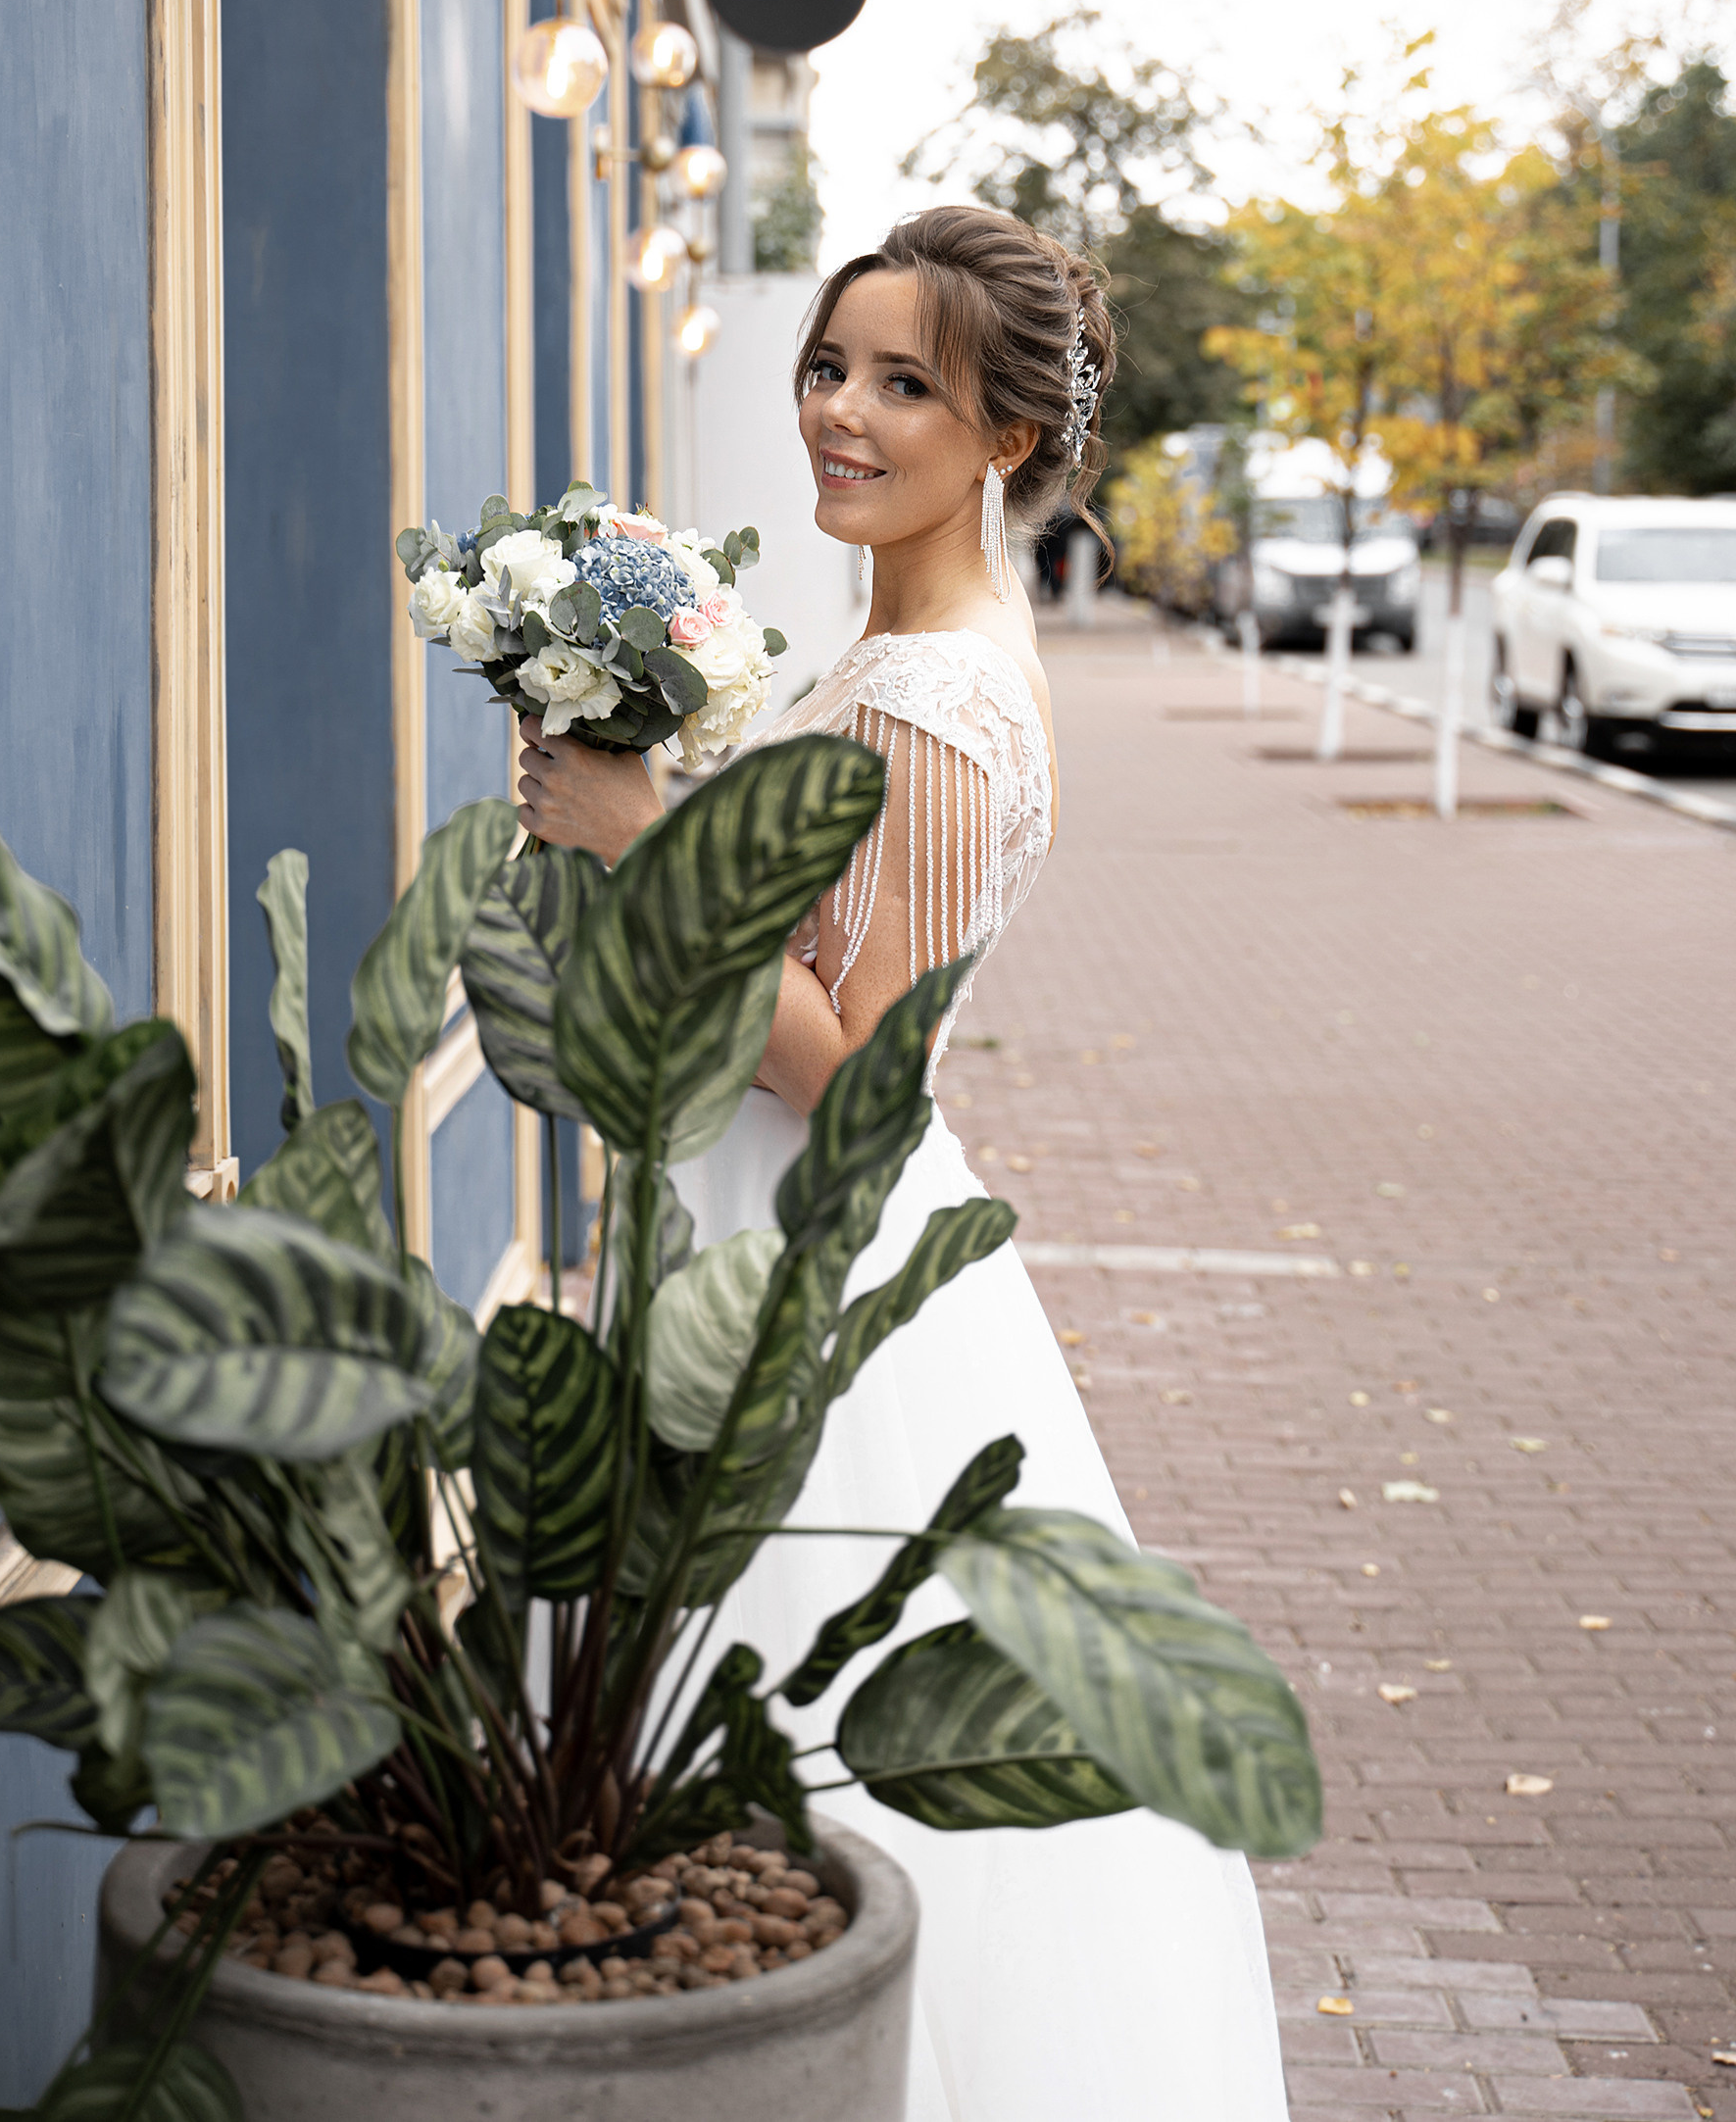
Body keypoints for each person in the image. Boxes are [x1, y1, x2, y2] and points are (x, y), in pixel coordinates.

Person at [514, 205, 1289, 2120]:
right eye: (829, 366)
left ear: (1006, 437)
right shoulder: (893, 647)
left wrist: (643, 843)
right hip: (738, 1231)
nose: (839, 414)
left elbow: (862, 1060)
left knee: (815, 1758)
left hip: (817, 1270)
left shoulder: (940, 693)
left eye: (902, 383)